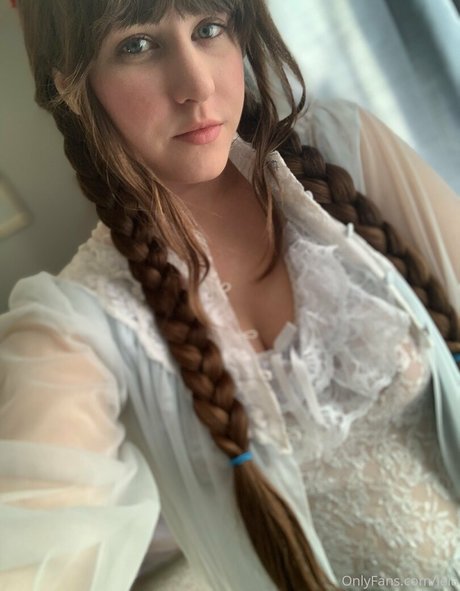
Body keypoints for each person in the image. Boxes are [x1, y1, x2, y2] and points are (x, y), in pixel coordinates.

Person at [1, 0, 459, 590]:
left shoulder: (347, 149)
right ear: (71, 82)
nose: (197, 85)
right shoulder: (79, 325)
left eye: (209, 28)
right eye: (137, 45)